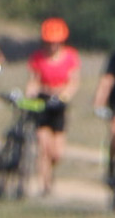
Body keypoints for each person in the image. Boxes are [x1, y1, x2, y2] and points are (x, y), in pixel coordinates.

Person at [24, 18, 78, 197]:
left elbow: (73, 82)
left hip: (59, 104)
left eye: (56, 42)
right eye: (49, 42)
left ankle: (50, 173)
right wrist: (30, 95)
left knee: (57, 153)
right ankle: (45, 184)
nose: (52, 46)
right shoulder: (37, 57)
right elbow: (33, 81)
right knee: (43, 146)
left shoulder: (70, 57)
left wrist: (64, 96)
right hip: (42, 101)